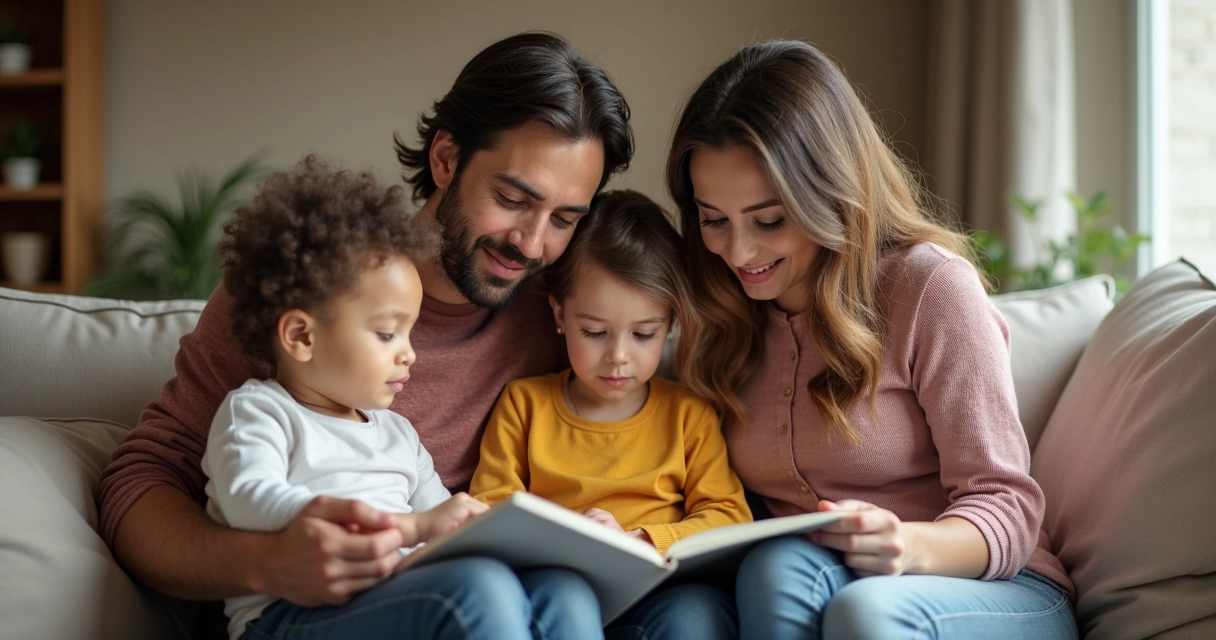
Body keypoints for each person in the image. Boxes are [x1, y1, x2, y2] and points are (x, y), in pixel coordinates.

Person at [98, 32, 633, 636]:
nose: (532, 245)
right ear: (446, 159)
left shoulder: (566, 319)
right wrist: (269, 561)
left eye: (564, 219)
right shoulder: (301, 293)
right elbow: (142, 482)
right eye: (512, 198)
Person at [666, 40, 1079, 639]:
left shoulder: (928, 287)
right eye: (713, 220)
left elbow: (1008, 506)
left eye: (770, 219)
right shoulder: (719, 315)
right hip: (808, 578)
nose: (739, 252)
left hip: (992, 589)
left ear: (830, 192)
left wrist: (908, 546)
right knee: (770, 572)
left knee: (866, 612)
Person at [200, 156, 604, 640]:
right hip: (287, 616)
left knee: (565, 592)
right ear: (301, 337)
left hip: (397, 597)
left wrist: (542, 532)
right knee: (477, 589)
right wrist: (411, 529)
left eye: (410, 333)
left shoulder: (398, 434)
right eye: (388, 334)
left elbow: (447, 527)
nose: (410, 354)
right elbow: (252, 501)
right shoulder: (258, 414)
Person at [470, 190, 751, 640]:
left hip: (658, 597)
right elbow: (488, 509)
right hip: (557, 592)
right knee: (567, 598)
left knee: (699, 613)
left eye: (643, 334)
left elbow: (729, 517)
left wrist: (639, 539)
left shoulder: (688, 415)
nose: (618, 356)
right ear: (559, 313)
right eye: (594, 332)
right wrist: (570, 541)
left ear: (672, 322)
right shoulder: (524, 404)